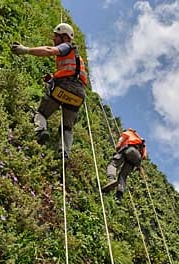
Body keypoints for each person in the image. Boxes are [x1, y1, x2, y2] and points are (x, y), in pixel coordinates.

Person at [11, 23, 87, 159]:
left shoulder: (66, 46)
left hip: (64, 87)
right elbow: (72, 73)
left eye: (56, 36)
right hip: (79, 94)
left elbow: (49, 50)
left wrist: (25, 50)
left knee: (41, 113)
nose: (53, 38)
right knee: (67, 127)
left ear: (64, 37)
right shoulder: (77, 58)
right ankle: (64, 153)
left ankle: (40, 131)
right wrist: (53, 77)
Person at [102, 128, 147, 201]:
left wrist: (117, 150)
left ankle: (111, 180)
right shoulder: (141, 142)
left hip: (129, 149)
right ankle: (119, 196)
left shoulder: (128, 133)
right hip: (137, 158)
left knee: (113, 165)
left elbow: (120, 142)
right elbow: (144, 156)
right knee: (123, 175)